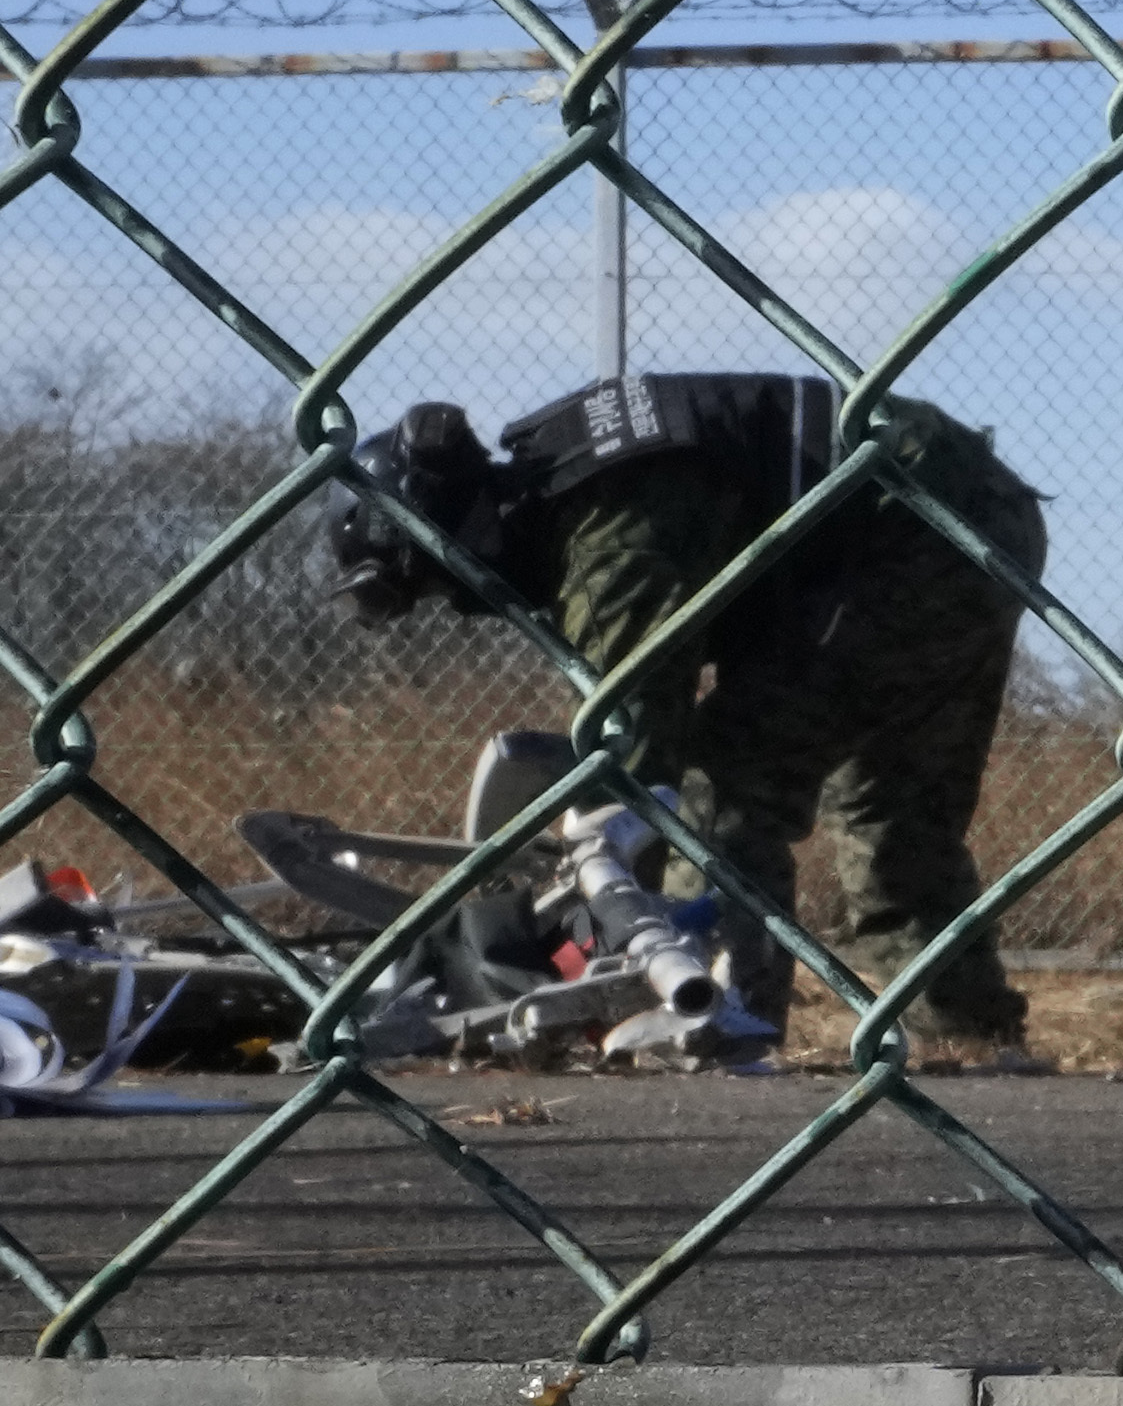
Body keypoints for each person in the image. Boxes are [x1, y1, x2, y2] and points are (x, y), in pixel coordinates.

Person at [327, 367, 1049, 1061]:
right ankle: (969, 1031)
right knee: (894, 805)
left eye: (430, 585)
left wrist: (577, 924)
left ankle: (720, 1019)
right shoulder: (573, 477)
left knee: (721, 793)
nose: (454, 608)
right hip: (963, 508)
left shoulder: (608, 533)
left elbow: (637, 753)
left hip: (909, 529)